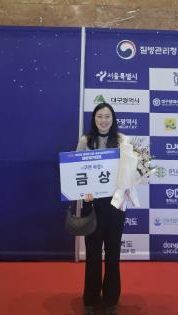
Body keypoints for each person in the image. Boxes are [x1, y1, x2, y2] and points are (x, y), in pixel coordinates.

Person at [76, 102, 126, 315]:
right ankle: (90, 300)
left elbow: (130, 172)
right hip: (93, 204)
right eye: (99, 116)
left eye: (107, 116)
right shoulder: (86, 140)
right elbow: (75, 170)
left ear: (113, 119)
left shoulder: (122, 141)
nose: (103, 120)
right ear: (94, 119)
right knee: (93, 254)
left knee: (113, 254)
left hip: (115, 205)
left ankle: (111, 300)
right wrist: (83, 193)